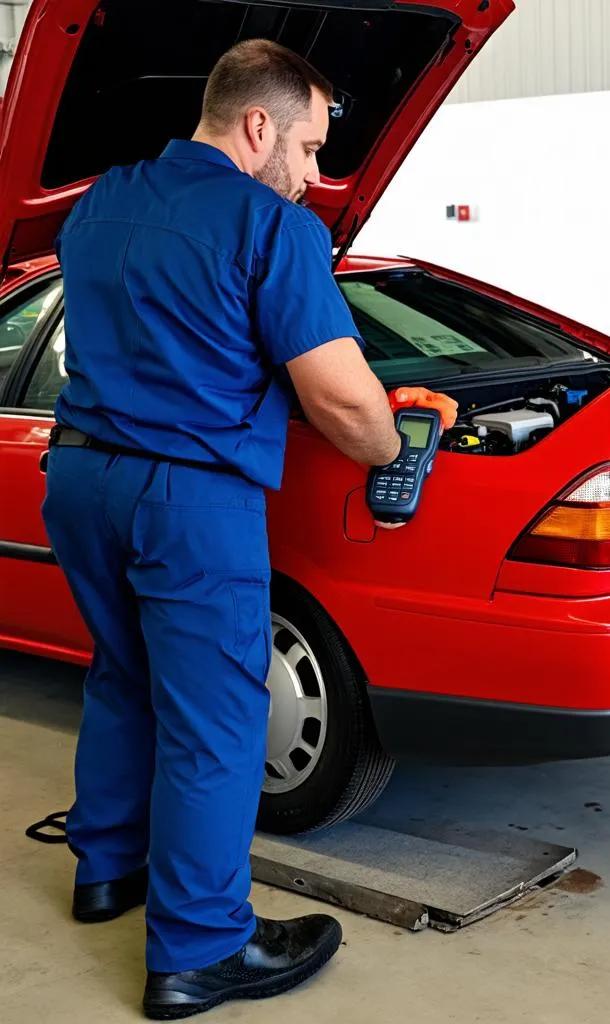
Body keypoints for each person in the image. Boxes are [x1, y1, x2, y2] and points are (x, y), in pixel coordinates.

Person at [42, 39, 447, 1020]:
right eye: (309, 147)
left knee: (122, 673)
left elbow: (157, 327)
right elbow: (345, 407)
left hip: (79, 477)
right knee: (217, 721)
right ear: (256, 125)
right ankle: (199, 950)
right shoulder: (272, 229)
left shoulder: (96, 205)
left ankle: (105, 870)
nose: (315, 176)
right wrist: (397, 438)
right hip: (188, 501)